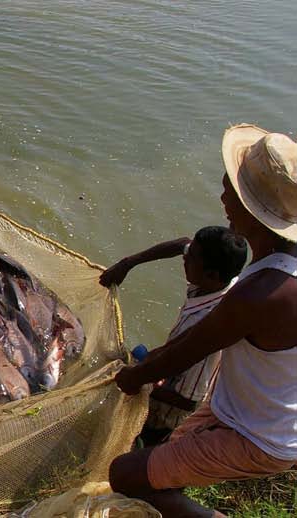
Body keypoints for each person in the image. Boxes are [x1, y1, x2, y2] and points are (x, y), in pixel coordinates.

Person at [109, 124, 297, 517]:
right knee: (163, 462)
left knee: (124, 474)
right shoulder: (273, 265)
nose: (223, 193)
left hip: (261, 436)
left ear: (252, 209)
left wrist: (130, 377)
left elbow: (187, 353)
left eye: (233, 187)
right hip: (236, 408)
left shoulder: (258, 293)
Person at [100, 226, 248, 446]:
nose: (185, 257)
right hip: (170, 374)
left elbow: (187, 401)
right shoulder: (221, 282)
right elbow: (181, 244)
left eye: (192, 257)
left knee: (133, 446)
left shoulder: (207, 326)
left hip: (168, 416)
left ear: (212, 275)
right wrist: (127, 263)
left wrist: (139, 379)